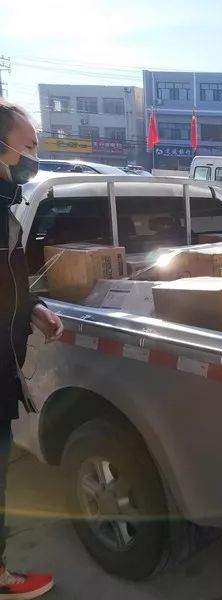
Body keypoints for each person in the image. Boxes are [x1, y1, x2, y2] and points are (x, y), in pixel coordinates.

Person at [0, 99, 63, 598]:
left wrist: (34, 307)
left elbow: (10, 281)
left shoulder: (8, 208)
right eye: (29, 146)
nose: (34, 156)